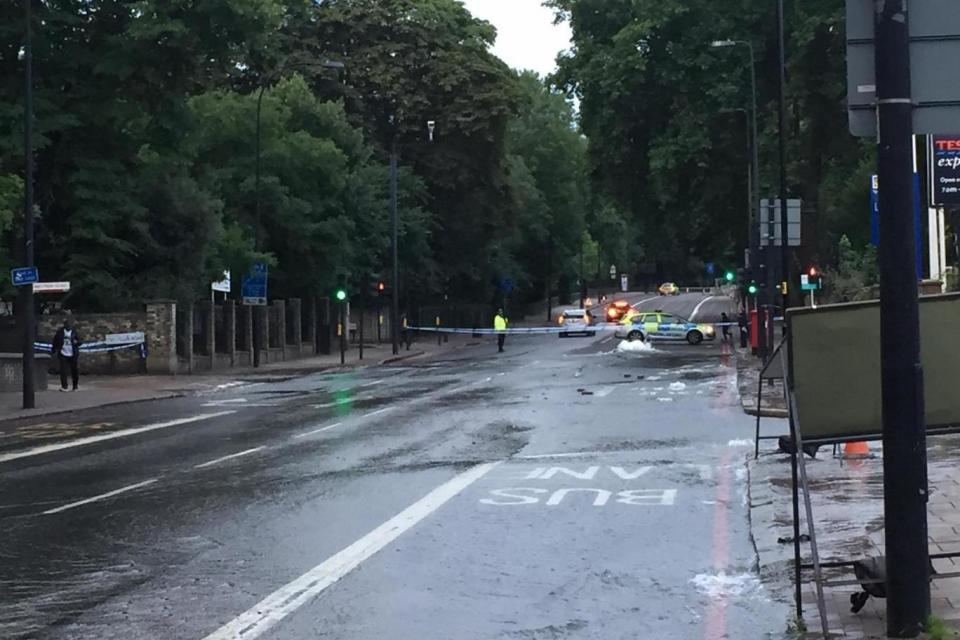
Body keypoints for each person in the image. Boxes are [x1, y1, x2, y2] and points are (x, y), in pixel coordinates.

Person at [52, 318, 82, 391]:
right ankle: (64, 386)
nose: (69, 326)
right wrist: (53, 350)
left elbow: (80, 341)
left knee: (74, 371)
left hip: (73, 354)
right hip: (63, 353)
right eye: (67, 325)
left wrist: (77, 343)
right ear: (64, 325)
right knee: (63, 371)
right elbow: (55, 341)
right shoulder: (60, 332)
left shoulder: (74, 332)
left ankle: (75, 386)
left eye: (70, 325)